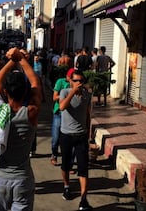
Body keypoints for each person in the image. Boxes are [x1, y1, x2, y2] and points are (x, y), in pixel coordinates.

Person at [0, 48, 42, 211]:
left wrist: (12, 60)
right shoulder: (31, 113)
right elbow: (36, 84)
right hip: (22, 179)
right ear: (25, 91)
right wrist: (22, 60)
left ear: (5, 92)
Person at [59, 70, 93, 210]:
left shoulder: (87, 95)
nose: (79, 83)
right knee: (66, 164)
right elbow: (62, 107)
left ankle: (83, 199)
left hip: (81, 135)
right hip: (66, 134)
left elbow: (87, 114)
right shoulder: (65, 92)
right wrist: (73, 91)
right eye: (76, 81)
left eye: (81, 81)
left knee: (83, 167)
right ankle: (66, 187)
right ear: (71, 81)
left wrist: (89, 133)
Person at [50, 67, 73, 166]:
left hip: (70, 114)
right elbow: (54, 97)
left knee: (70, 140)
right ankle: (54, 155)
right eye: (72, 78)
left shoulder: (76, 86)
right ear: (68, 77)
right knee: (56, 138)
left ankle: (69, 162)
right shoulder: (61, 82)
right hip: (59, 113)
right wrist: (66, 95)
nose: (73, 80)